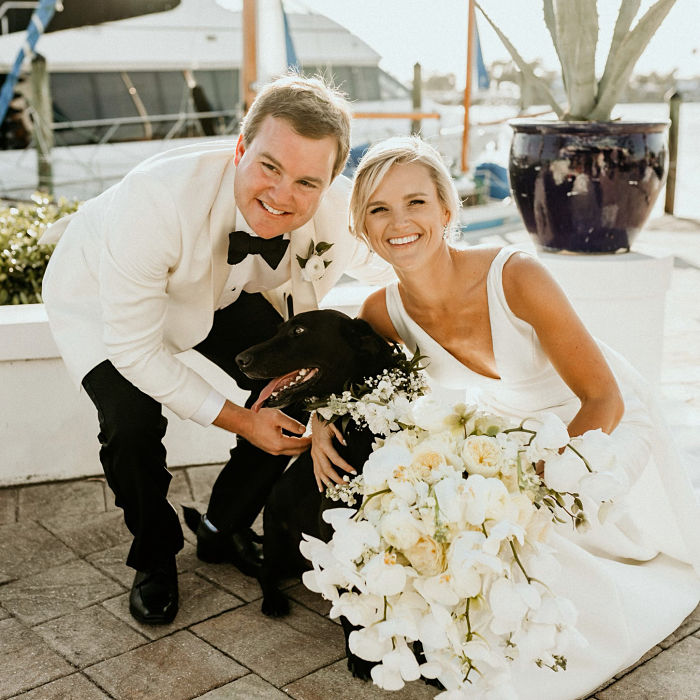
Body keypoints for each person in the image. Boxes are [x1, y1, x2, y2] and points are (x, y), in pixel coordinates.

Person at [311, 135, 700, 699]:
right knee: (458, 529)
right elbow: (335, 358)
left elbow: (604, 399)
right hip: (508, 432)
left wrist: (533, 482)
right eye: (378, 209)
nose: (400, 221)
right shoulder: (381, 311)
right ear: (363, 229)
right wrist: (322, 417)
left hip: (596, 425)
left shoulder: (515, 275)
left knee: (529, 538)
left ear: (446, 209)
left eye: (415, 202)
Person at [40, 73, 391, 626]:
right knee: (130, 426)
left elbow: (405, 264)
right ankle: (154, 558)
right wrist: (242, 421)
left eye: (307, 182)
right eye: (269, 167)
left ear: (329, 183)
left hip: (219, 289)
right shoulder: (154, 200)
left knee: (293, 391)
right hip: (101, 296)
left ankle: (219, 528)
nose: (282, 196)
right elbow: (135, 349)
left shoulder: (338, 214)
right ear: (239, 149)